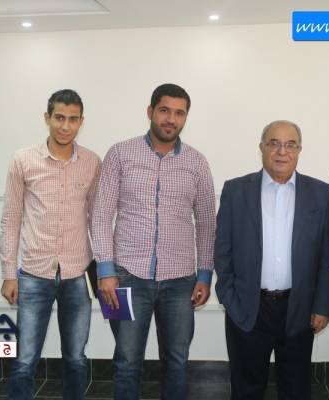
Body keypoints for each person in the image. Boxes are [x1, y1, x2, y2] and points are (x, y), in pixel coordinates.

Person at [91, 83, 216, 400]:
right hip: (123, 277)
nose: (171, 119)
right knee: (125, 361)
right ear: (150, 111)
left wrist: (205, 275)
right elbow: (101, 214)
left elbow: (206, 222)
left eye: (179, 113)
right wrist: (105, 271)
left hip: (181, 282)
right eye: (164, 110)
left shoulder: (197, 163)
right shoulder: (119, 154)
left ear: (185, 118)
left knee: (177, 362)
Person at [215, 120, 329, 400]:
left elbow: (327, 256)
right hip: (248, 307)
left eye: (290, 144)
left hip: (299, 308)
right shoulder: (236, 190)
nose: (282, 151)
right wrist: (230, 298)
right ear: (261, 147)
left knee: (295, 389)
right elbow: (222, 250)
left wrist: (323, 306)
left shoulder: (322, 194)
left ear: (299, 150)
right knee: (246, 389)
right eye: (274, 143)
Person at [0, 89, 101, 400]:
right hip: (33, 274)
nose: (65, 126)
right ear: (47, 118)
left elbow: (97, 220)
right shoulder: (23, 160)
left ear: (81, 122)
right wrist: (9, 274)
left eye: (72, 119)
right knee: (25, 360)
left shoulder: (92, 162)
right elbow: (11, 219)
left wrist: (107, 270)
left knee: (76, 359)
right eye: (59, 117)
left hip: (77, 276)